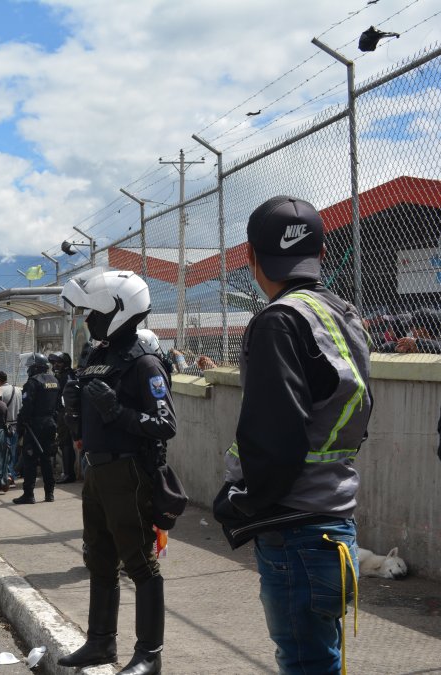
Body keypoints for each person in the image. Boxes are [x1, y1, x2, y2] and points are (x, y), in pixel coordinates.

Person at [212, 195, 372, 675]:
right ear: (320, 254)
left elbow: (275, 436)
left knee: (305, 664)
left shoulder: (278, 322)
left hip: (295, 533)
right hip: (335, 527)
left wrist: (239, 498)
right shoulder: (342, 313)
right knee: (323, 661)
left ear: (251, 257)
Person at [57, 268, 176, 675]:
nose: (87, 320)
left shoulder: (144, 364)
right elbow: (84, 419)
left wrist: (117, 411)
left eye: (93, 312)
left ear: (118, 311)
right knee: (99, 559)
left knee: (141, 564)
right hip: (97, 472)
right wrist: (74, 406)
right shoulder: (98, 358)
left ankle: (149, 655)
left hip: (129, 474)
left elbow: (165, 425)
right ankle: (100, 642)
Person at [12, 353, 60, 504]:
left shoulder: (32, 382)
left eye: (30, 367)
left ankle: (29, 494)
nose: (28, 371)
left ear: (36, 368)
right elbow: (59, 405)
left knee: (30, 460)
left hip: (35, 426)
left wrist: (20, 426)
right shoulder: (55, 381)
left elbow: (27, 407)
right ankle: (49, 493)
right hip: (50, 423)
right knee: (46, 459)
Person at [49, 351, 78, 483]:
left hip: (66, 413)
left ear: (65, 364)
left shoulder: (65, 377)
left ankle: (68, 474)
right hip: (68, 413)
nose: (55, 365)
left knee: (65, 443)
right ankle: (68, 472)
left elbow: (65, 397)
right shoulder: (70, 374)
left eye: (58, 362)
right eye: (54, 362)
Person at [0, 371, 22, 488]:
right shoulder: (18, 390)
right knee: (14, 453)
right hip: (17, 425)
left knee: (5, 454)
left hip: (6, 427)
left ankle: (8, 477)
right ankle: (12, 476)